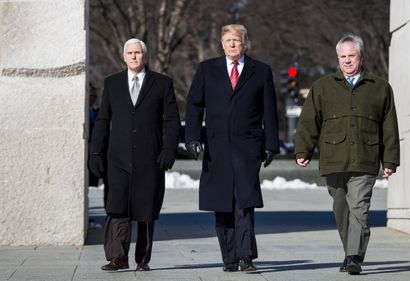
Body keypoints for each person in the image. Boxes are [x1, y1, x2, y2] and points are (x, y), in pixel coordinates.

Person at [294, 34, 400, 275]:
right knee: (341, 209)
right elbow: (309, 121)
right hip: (334, 160)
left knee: (359, 207)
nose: (347, 61)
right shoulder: (322, 87)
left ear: (361, 56)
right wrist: (303, 150)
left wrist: (390, 160)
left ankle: (354, 257)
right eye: (343, 57)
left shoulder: (380, 88)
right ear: (338, 59)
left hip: (366, 158)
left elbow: (389, 126)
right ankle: (349, 252)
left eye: (351, 56)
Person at [185, 24, 279, 272]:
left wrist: (271, 144)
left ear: (245, 42)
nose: (232, 44)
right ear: (221, 43)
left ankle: (246, 257)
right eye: (227, 40)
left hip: (248, 147)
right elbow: (194, 105)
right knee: (222, 204)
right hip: (216, 149)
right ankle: (229, 258)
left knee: (244, 203)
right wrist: (193, 137)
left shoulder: (261, 71)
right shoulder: (207, 69)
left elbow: (269, 110)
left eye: (236, 40)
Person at [89, 38, 180, 272]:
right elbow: (102, 121)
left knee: (146, 209)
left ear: (145, 56)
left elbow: (171, 120)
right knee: (117, 207)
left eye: (137, 52)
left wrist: (169, 149)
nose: (133, 56)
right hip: (117, 158)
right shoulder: (112, 84)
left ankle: (142, 259)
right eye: (129, 53)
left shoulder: (162, 84)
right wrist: (96, 152)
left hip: (150, 158)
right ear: (123, 56)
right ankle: (116, 257)